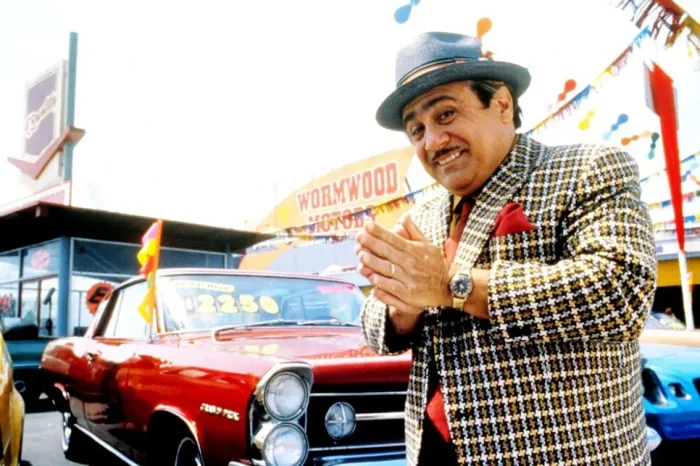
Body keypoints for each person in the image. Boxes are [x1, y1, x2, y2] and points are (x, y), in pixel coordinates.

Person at [356, 31, 657, 466]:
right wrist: (401, 307)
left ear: (501, 104)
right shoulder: (421, 216)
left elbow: (620, 292)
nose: (433, 141)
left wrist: (449, 284)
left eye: (446, 114)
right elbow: (373, 325)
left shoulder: (586, 168)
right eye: (416, 129)